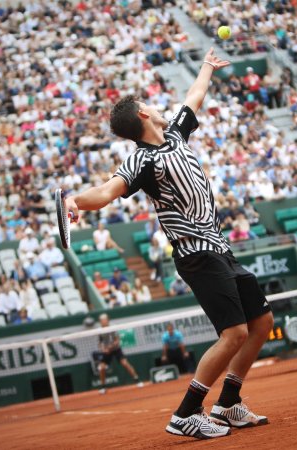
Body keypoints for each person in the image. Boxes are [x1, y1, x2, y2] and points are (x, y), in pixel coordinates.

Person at [65, 49, 271, 438]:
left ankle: (227, 403)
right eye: (148, 104)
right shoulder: (142, 161)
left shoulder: (176, 132)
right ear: (143, 115)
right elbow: (108, 191)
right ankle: (186, 413)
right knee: (234, 334)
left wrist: (206, 68)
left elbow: (193, 97)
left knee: (261, 322)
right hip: (196, 253)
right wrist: (74, 200)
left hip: (219, 248)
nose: (157, 107)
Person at [94, 314, 142, 394]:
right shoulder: (100, 331)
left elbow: (117, 340)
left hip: (116, 349)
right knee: (101, 368)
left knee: (125, 363)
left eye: (104, 320)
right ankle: (103, 387)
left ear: (107, 320)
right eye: (101, 320)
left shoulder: (113, 328)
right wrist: (104, 349)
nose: (103, 322)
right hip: (107, 352)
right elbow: (100, 343)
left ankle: (137, 380)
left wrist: (110, 347)